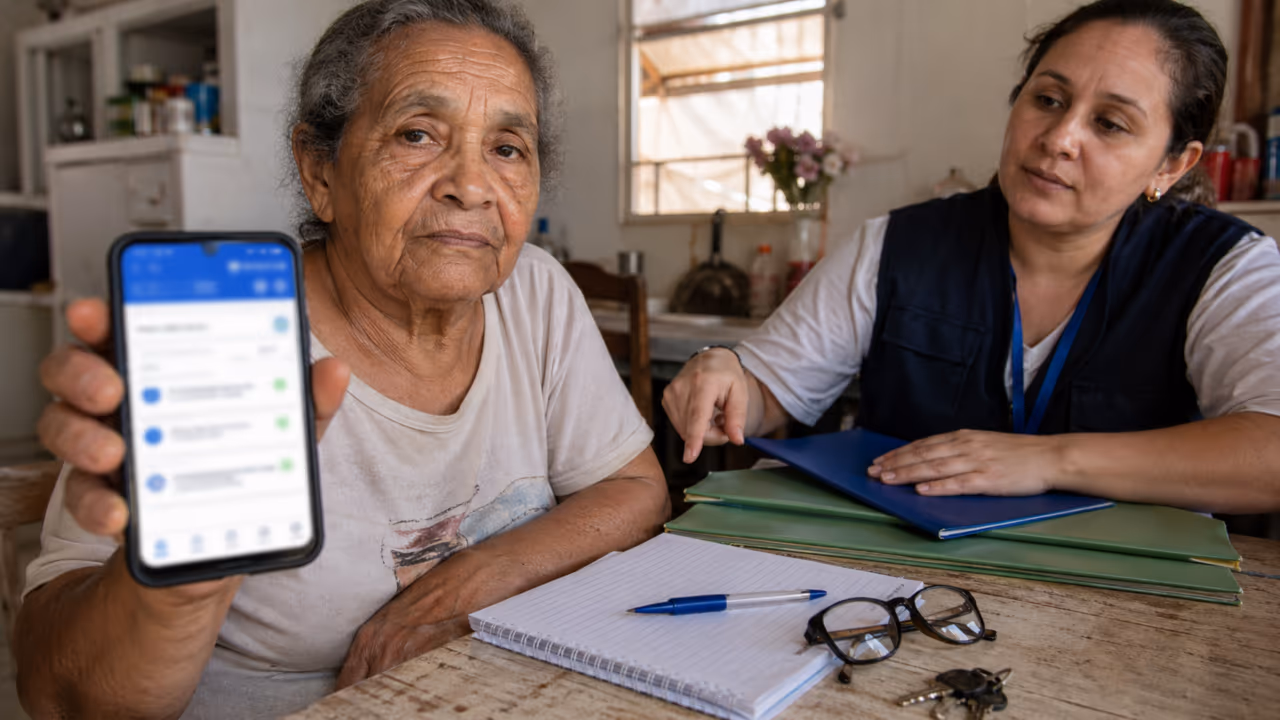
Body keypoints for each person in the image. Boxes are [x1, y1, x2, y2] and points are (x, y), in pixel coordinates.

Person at [15, 1, 669, 718]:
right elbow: (60, 698)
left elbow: (634, 489)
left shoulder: (534, 290)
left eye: (508, 148)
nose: (473, 186)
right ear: (319, 171)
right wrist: (180, 587)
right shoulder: (230, 343)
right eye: (418, 135)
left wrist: (470, 582)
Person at [664, 0, 1280, 514]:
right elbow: (769, 392)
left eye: (1111, 124)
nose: (1059, 139)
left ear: (1172, 165)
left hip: (1118, 602)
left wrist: (1048, 460)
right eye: (1047, 99)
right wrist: (723, 375)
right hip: (898, 578)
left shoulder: (1226, 267)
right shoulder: (895, 245)